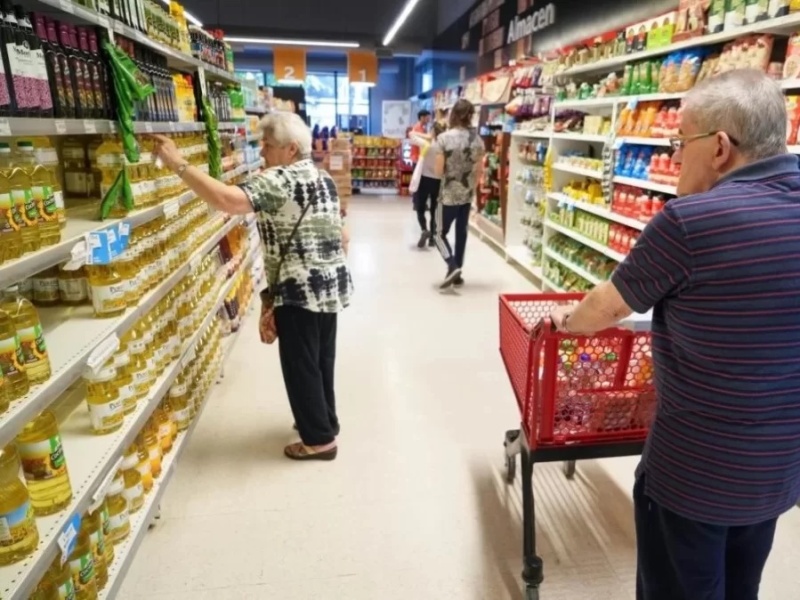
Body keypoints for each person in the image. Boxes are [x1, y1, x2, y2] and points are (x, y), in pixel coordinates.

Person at [549, 69, 800, 599]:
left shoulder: (690, 221)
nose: (676, 154)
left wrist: (565, 323)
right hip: (777, 469)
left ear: (720, 148)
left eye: (680, 142)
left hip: (693, 473)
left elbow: (605, 307)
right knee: (743, 585)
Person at [150, 112, 353, 462]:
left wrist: (178, 163)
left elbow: (226, 200)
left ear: (291, 149)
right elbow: (343, 235)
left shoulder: (278, 179)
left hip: (298, 289)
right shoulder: (323, 178)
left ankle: (320, 441)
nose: (262, 152)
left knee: (300, 365)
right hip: (331, 285)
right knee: (321, 360)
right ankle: (324, 421)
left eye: (268, 145)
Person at [432, 99, 484, 289]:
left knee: (438, 234)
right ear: (470, 116)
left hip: (447, 194)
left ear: (453, 114)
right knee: (461, 233)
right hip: (467, 193)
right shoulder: (477, 140)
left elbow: (439, 171)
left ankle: (452, 265)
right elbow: (479, 170)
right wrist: (471, 187)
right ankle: (457, 274)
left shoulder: (443, 138)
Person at [411, 121, 446, 248]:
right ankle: (432, 238)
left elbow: (411, 134)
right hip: (438, 181)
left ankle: (424, 229)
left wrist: (427, 136)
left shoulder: (426, 143)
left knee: (420, 208)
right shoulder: (444, 147)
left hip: (424, 180)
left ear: (432, 132)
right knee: (434, 210)